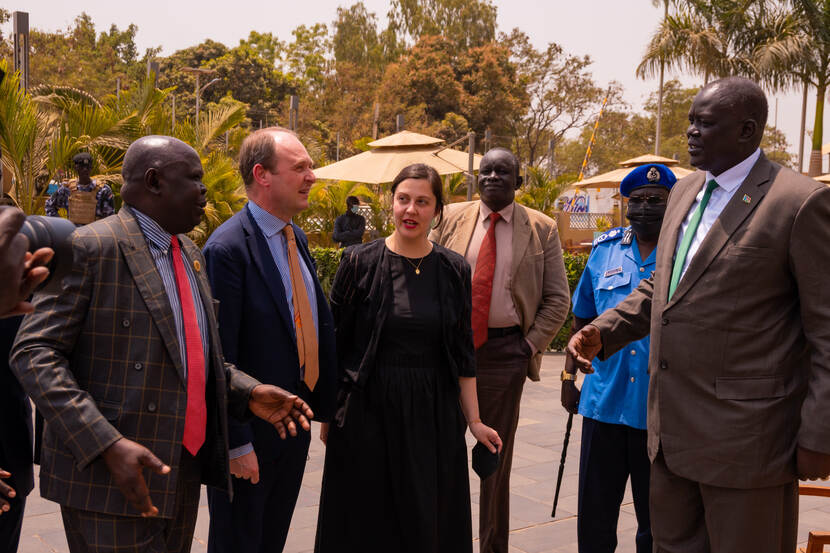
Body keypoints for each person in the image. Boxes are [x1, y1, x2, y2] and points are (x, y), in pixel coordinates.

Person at [10, 135, 314, 553]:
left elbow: (192, 357)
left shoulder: (188, 252)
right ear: (154, 181)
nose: (204, 189)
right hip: (110, 481)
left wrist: (248, 391)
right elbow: (33, 355)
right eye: (193, 178)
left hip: (178, 473)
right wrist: (106, 442)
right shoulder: (90, 248)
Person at [568, 77, 830, 553]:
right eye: (690, 120)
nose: (690, 131)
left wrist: (819, 432)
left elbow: (827, 330)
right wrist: (603, 330)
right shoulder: (685, 192)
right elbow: (663, 287)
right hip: (670, 440)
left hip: (748, 446)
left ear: (747, 130)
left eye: (705, 123)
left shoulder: (797, 202)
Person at [315, 163, 502, 553]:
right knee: (365, 523)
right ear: (391, 203)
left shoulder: (454, 269)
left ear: (437, 210)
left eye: (422, 201)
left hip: (432, 414)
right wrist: (331, 412)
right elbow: (335, 340)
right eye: (403, 200)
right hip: (368, 411)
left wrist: (475, 421)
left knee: (425, 522)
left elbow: (462, 350)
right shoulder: (357, 262)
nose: (411, 210)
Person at [204, 127, 338, 553]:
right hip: (251, 435)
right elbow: (219, 357)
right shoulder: (226, 249)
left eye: (310, 166)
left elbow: (311, 325)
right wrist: (236, 443)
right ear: (262, 174)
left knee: (271, 540)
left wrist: (328, 410)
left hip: (291, 425)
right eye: (300, 167)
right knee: (238, 542)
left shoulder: (294, 237)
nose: (312, 176)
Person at [429, 148, 569, 553]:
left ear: (518, 181)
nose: (492, 176)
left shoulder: (541, 228)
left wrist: (526, 348)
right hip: (448, 354)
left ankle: (493, 547)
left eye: (502, 171)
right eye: (486, 170)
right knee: (443, 454)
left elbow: (558, 299)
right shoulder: (450, 218)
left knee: (494, 462)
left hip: (505, 353)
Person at [562, 164, 675, 553]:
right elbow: (582, 320)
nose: (644, 208)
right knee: (595, 518)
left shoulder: (684, 257)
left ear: (671, 204)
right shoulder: (605, 249)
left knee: (656, 524)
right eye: (637, 201)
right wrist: (567, 380)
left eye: (655, 201)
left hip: (657, 412)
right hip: (602, 406)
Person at [45, 152, 115, 225]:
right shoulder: (67, 189)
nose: (85, 169)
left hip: (95, 235)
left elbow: (110, 219)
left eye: (88, 167)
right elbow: (49, 206)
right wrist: (62, 226)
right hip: (74, 234)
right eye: (81, 167)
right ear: (76, 168)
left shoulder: (103, 190)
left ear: (91, 168)